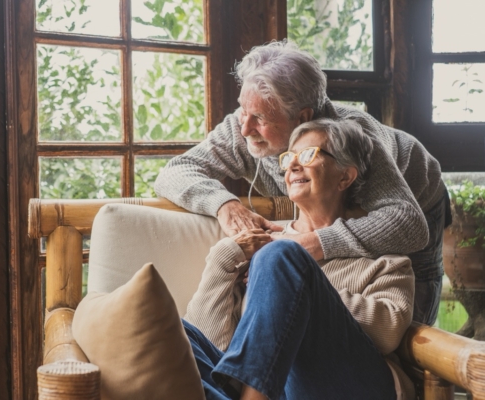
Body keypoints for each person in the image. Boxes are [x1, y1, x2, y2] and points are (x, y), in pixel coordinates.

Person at [155, 39, 448, 325]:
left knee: (413, 328)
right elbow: (175, 171)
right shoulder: (241, 126)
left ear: (302, 117)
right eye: (243, 110)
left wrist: (304, 246)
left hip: (419, 194)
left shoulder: (352, 138)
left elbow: (410, 225)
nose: (245, 128)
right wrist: (225, 205)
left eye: (259, 118)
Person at [183, 119, 415, 400]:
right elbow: (213, 344)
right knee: (170, 329)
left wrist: (303, 287)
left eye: (307, 155)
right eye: (288, 157)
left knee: (280, 256)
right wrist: (225, 256)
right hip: (276, 390)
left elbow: (389, 330)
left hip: (351, 385)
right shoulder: (260, 246)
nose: (292, 166)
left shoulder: (379, 248)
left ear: (345, 177)